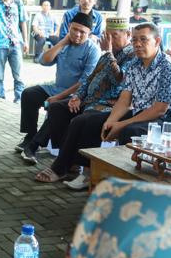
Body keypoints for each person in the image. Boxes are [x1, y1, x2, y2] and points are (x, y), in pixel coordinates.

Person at [53, 22, 171, 191]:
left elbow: (160, 109)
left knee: (129, 130)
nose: (138, 44)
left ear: (157, 41)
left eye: (143, 39)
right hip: (137, 112)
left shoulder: (167, 66)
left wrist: (122, 123)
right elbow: (125, 100)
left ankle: (127, 183)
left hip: (161, 118)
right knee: (87, 121)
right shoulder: (134, 64)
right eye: (135, 40)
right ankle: (87, 173)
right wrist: (110, 121)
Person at [32, 17, 134, 183]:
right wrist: (78, 96)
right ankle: (70, 162)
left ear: (127, 34)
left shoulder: (132, 55)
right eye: (107, 36)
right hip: (90, 100)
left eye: (114, 36)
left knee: (81, 121)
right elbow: (89, 78)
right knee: (57, 108)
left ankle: (65, 168)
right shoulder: (108, 54)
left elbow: (120, 79)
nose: (109, 40)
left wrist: (108, 52)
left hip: (109, 105)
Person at [17, 12, 100, 163]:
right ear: (69, 27)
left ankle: (34, 146)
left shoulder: (92, 50)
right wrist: (62, 43)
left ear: (89, 33)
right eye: (74, 29)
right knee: (29, 94)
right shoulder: (64, 44)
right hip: (56, 88)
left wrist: (57, 97)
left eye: (82, 32)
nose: (77, 34)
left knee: (57, 108)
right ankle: (30, 135)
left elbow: (84, 82)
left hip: (76, 95)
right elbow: (44, 61)